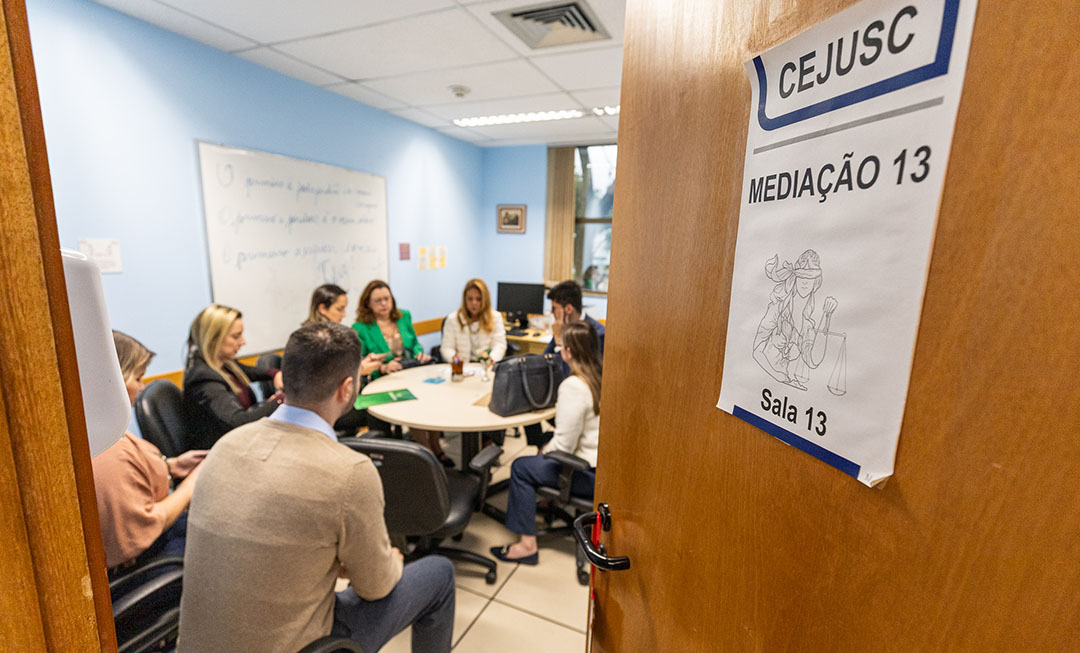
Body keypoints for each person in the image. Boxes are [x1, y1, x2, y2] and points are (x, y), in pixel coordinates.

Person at [178, 322, 456, 653]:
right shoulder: (350, 472)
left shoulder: (226, 445)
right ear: (347, 388)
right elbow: (375, 588)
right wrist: (392, 561)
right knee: (439, 573)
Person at [93, 331, 206, 570]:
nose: (142, 387)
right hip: (150, 557)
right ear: (116, 379)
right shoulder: (106, 447)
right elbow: (143, 526)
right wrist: (190, 487)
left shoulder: (107, 428)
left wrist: (171, 466)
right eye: (138, 378)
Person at [490, 321, 601, 565]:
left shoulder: (573, 386)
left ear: (568, 352)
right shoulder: (599, 378)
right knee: (540, 455)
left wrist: (545, 451)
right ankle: (544, 500)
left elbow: (563, 447)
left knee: (521, 466)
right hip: (599, 468)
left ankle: (527, 545)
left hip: (583, 473)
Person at [352, 280, 450, 465]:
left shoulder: (403, 316)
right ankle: (427, 455)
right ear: (368, 304)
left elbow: (414, 343)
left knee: (430, 402)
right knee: (414, 409)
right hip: (383, 380)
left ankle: (436, 446)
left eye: (387, 299)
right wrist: (382, 366)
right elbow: (361, 360)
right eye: (378, 301)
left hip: (411, 372)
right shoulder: (361, 328)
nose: (384, 304)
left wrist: (418, 353)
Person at [181, 304, 283, 450]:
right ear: (213, 338)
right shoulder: (204, 379)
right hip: (220, 455)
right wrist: (282, 399)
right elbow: (239, 422)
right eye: (236, 336)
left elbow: (252, 372)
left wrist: (275, 373)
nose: (243, 342)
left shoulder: (223, 364)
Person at [524, 280, 606, 447]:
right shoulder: (563, 328)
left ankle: (551, 449)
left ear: (567, 309)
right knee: (526, 393)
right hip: (561, 394)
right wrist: (557, 339)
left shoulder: (597, 334)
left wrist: (560, 341)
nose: (552, 313)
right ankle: (540, 445)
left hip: (581, 402)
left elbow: (573, 376)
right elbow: (543, 362)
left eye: (554, 308)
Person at [305, 283, 384, 436]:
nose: (344, 315)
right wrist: (359, 369)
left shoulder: (330, 333)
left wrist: (361, 363)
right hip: (322, 409)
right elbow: (324, 377)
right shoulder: (313, 340)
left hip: (336, 401)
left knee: (376, 404)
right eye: (339, 309)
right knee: (376, 410)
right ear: (322, 309)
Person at [440, 278, 507, 364]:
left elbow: (500, 345)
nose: (474, 303)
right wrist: (454, 357)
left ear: (485, 300)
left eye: (478, 299)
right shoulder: (453, 319)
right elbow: (446, 348)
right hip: (462, 367)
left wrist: (492, 358)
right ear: (465, 300)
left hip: (486, 366)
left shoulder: (495, 317)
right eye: (470, 299)